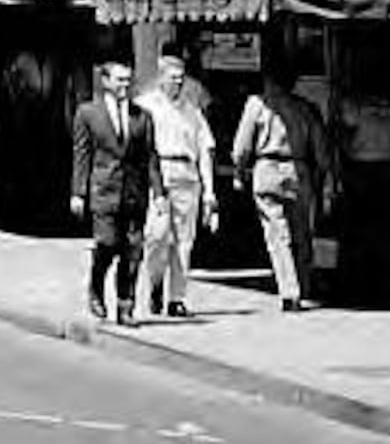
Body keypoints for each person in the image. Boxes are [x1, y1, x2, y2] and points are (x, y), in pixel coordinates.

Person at [230, 65, 327, 313]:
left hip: (268, 167)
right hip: (298, 168)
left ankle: (289, 291)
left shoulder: (257, 104)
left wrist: (240, 172)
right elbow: (320, 149)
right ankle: (304, 285)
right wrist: (323, 177)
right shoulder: (305, 108)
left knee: (277, 234)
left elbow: (241, 146)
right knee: (301, 232)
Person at [70, 59, 152, 326]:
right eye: (119, 80)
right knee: (107, 245)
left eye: (128, 81)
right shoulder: (88, 113)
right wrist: (78, 192)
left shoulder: (141, 116)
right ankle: (95, 287)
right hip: (103, 191)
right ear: (105, 81)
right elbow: (82, 155)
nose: (125, 86)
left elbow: (149, 158)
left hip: (133, 193)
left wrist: (158, 193)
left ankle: (125, 306)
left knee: (133, 252)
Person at [139, 50, 218, 317]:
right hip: (159, 174)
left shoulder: (192, 111)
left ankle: (177, 298)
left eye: (181, 78)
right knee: (156, 237)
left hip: (187, 174)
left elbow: (205, 149)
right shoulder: (146, 105)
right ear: (161, 79)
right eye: (173, 78)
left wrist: (209, 191)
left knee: (184, 241)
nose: (178, 83)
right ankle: (155, 281)